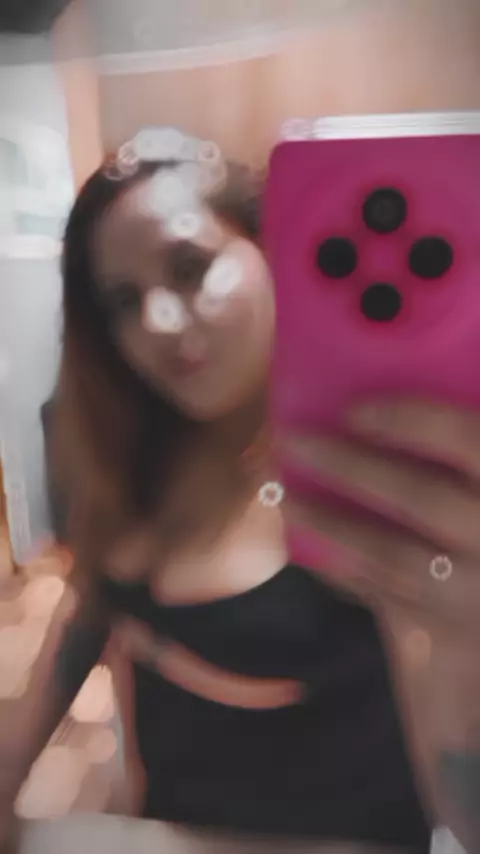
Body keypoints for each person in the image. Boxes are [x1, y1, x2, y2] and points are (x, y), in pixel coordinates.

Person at [1, 127, 475, 854]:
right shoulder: (137, 462)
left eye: (190, 267)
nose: (158, 322)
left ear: (272, 246)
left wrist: (463, 647)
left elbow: (462, 813)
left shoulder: (377, 476)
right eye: (122, 300)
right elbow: (88, 612)